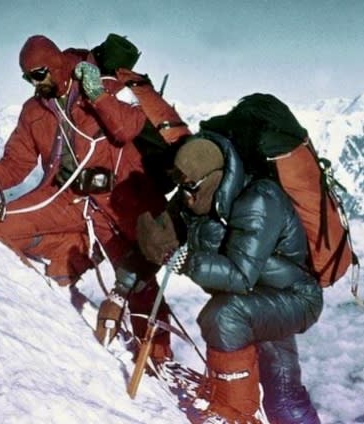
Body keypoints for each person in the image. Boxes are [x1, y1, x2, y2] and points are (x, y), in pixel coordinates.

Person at [0, 35, 188, 362]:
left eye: (38, 75)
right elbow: (16, 163)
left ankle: (158, 359)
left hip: (124, 201)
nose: (33, 84)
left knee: (139, 284)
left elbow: (127, 129)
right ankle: (69, 260)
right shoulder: (34, 111)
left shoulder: (100, 88)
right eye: (27, 78)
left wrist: (96, 94)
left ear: (55, 67)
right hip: (68, 197)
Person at [138, 134, 323, 423]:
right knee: (282, 393)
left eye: (192, 187)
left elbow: (240, 275)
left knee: (225, 318)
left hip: (294, 297)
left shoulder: (259, 199)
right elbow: (162, 240)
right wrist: (121, 288)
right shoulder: (193, 200)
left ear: (213, 178)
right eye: (182, 187)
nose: (185, 195)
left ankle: (234, 414)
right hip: (254, 298)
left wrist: (185, 261)